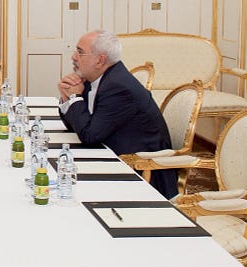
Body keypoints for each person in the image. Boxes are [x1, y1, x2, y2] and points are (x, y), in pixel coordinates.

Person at [58, 30, 177, 199]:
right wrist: (67, 97)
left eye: (80, 52)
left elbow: (89, 135)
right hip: (115, 155)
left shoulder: (118, 87)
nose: (74, 57)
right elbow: (78, 126)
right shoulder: (100, 78)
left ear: (100, 60)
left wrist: (75, 97)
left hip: (141, 174)